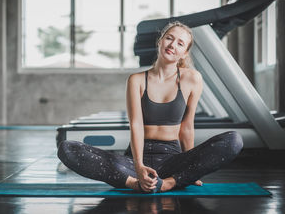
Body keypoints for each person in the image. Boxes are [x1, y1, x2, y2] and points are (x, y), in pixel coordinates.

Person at [58, 21, 243, 193]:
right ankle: (134, 183)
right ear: (160, 41)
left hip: (172, 159)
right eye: (169, 38)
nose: (172, 45)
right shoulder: (137, 80)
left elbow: (186, 127)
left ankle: (169, 182)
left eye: (180, 43)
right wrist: (138, 167)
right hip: (134, 160)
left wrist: (190, 170)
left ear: (184, 53)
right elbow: (136, 125)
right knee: (66, 148)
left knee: (234, 140)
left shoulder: (192, 79)